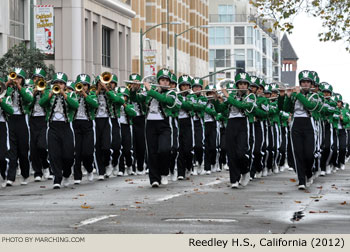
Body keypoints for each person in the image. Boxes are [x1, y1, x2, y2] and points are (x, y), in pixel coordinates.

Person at [39, 72, 79, 189]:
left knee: (68, 156)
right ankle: (57, 178)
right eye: (56, 83)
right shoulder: (48, 93)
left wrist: (64, 95)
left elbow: (75, 106)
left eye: (61, 83)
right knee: (54, 154)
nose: (58, 85)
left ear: (65, 85)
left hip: (66, 127)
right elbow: (41, 103)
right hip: (52, 127)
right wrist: (51, 94)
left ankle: (66, 174)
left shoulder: (71, 95)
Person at [283, 70, 318, 190]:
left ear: (311, 84)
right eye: (303, 82)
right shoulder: (295, 95)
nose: (306, 84)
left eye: (308, 82)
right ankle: (301, 179)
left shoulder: (315, 95)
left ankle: (309, 173)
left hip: (309, 123)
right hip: (296, 123)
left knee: (309, 154)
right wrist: (287, 97)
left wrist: (298, 95)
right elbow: (286, 109)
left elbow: (310, 105)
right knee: (298, 153)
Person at [143, 68, 176, 187]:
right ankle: (154, 179)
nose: (165, 82)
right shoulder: (150, 92)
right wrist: (133, 91)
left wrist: (150, 91)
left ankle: (164, 172)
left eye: (167, 80)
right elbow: (138, 99)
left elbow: (165, 100)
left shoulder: (171, 93)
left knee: (164, 150)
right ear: (158, 81)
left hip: (164, 124)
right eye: (162, 80)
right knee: (151, 152)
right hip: (150, 124)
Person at [221, 72, 255, 188]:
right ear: (237, 85)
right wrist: (217, 100)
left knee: (241, 152)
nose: (243, 86)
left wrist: (227, 97)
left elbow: (242, 106)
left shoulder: (251, 97)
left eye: (245, 84)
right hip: (231, 123)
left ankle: (245, 171)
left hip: (242, 123)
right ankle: (234, 180)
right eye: (240, 84)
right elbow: (221, 109)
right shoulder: (232, 95)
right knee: (231, 152)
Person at [4, 68, 33, 186]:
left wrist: (19, 87)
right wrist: (7, 84)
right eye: (15, 77)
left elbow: (29, 99)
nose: (16, 80)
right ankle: (10, 177)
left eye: (19, 78)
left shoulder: (28, 89)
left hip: (22, 120)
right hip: (10, 119)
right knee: (12, 150)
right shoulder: (8, 89)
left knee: (23, 150)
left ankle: (25, 174)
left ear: (23, 79)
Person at [94, 74, 124, 180]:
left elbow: (119, 101)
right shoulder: (94, 93)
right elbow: (90, 100)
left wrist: (107, 90)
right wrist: (98, 90)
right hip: (96, 121)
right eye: (103, 82)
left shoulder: (115, 93)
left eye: (111, 82)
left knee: (113, 146)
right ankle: (101, 171)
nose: (107, 84)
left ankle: (113, 163)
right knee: (98, 147)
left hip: (111, 120)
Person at [73, 74, 98, 184]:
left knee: (87, 152)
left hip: (87, 124)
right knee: (77, 151)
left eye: (85, 85)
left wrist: (84, 95)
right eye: (80, 85)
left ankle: (89, 168)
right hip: (75, 124)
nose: (83, 87)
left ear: (88, 86)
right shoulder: (73, 95)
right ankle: (77, 176)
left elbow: (94, 104)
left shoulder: (92, 95)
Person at [28, 68, 51, 182]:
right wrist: (33, 93)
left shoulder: (47, 90)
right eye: (35, 78)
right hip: (33, 120)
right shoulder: (30, 90)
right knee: (33, 147)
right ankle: (38, 172)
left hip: (43, 119)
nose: (36, 80)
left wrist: (42, 92)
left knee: (42, 145)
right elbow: (28, 105)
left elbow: (47, 102)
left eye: (38, 78)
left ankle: (46, 165)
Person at [128, 73, 147, 175]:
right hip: (131, 120)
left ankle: (140, 165)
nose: (134, 85)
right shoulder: (127, 91)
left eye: (136, 83)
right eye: (132, 83)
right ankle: (132, 167)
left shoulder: (143, 92)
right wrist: (132, 90)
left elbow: (139, 99)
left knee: (141, 144)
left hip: (141, 119)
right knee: (132, 144)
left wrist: (135, 91)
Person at [176, 75, 194, 180]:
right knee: (180, 148)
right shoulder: (175, 95)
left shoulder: (192, 96)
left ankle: (189, 166)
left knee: (188, 148)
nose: (185, 87)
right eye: (183, 85)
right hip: (178, 121)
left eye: (187, 85)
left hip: (187, 122)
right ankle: (180, 172)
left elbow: (189, 106)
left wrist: (180, 103)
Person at [116, 87, 137, 176]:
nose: (122, 98)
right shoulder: (115, 105)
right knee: (119, 148)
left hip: (127, 127)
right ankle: (121, 169)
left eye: (124, 96)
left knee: (128, 149)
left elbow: (133, 113)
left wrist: (124, 105)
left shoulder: (129, 105)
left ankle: (130, 165)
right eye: (121, 96)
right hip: (118, 126)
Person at [0, 77, 14, 186]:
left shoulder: (6, 98)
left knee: (2, 155)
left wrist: (1, 102)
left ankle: (3, 175)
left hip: (2, 126)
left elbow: (10, 111)